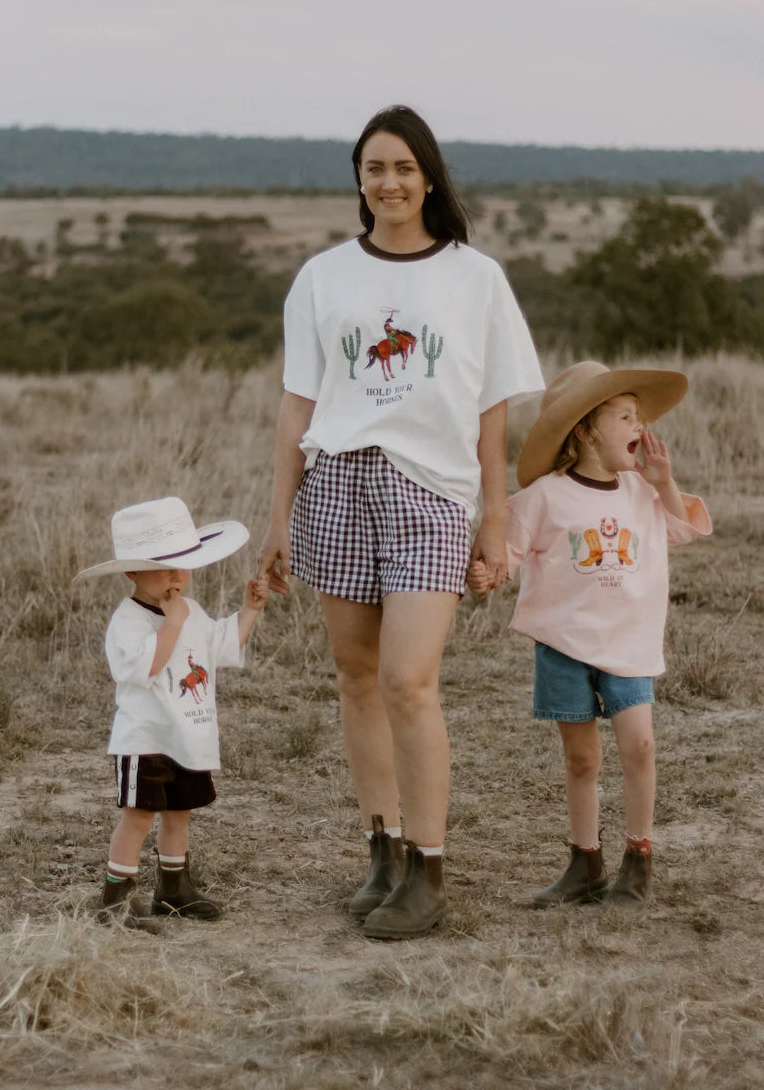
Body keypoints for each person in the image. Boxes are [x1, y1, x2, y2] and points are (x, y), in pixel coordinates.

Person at [258, 105, 544, 939]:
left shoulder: (474, 276)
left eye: (404, 168)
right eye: (374, 167)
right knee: (355, 677)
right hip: (340, 481)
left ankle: (428, 865)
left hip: (432, 491)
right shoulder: (322, 277)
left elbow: (491, 415)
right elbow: (297, 407)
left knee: (408, 679)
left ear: (429, 178)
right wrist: (279, 519)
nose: (390, 182)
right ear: (359, 178)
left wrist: (495, 519)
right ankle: (380, 844)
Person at [468, 361, 712, 907]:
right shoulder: (544, 497)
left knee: (640, 746)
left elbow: (683, 530)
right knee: (581, 759)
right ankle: (585, 864)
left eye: (638, 416)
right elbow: (506, 548)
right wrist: (489, 569)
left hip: (629, 644)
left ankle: (639, 861)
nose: (638, 425)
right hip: (564, 644)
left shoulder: (643, 491)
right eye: (625, 416)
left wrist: (665, 482)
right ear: (584, 431)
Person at [75, 496, 269, 928]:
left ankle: (173, 889)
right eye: (164, 568)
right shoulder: (128, 621)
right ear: (133, 572)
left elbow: (221, 645)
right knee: (139, 815)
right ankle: (115, 904)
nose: (176, 577)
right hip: (145, 739)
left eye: (183, 566)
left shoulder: (190, 611)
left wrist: (250, 610)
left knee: (179, 812)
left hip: (187, 736)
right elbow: (146, 666)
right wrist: (173, 622)